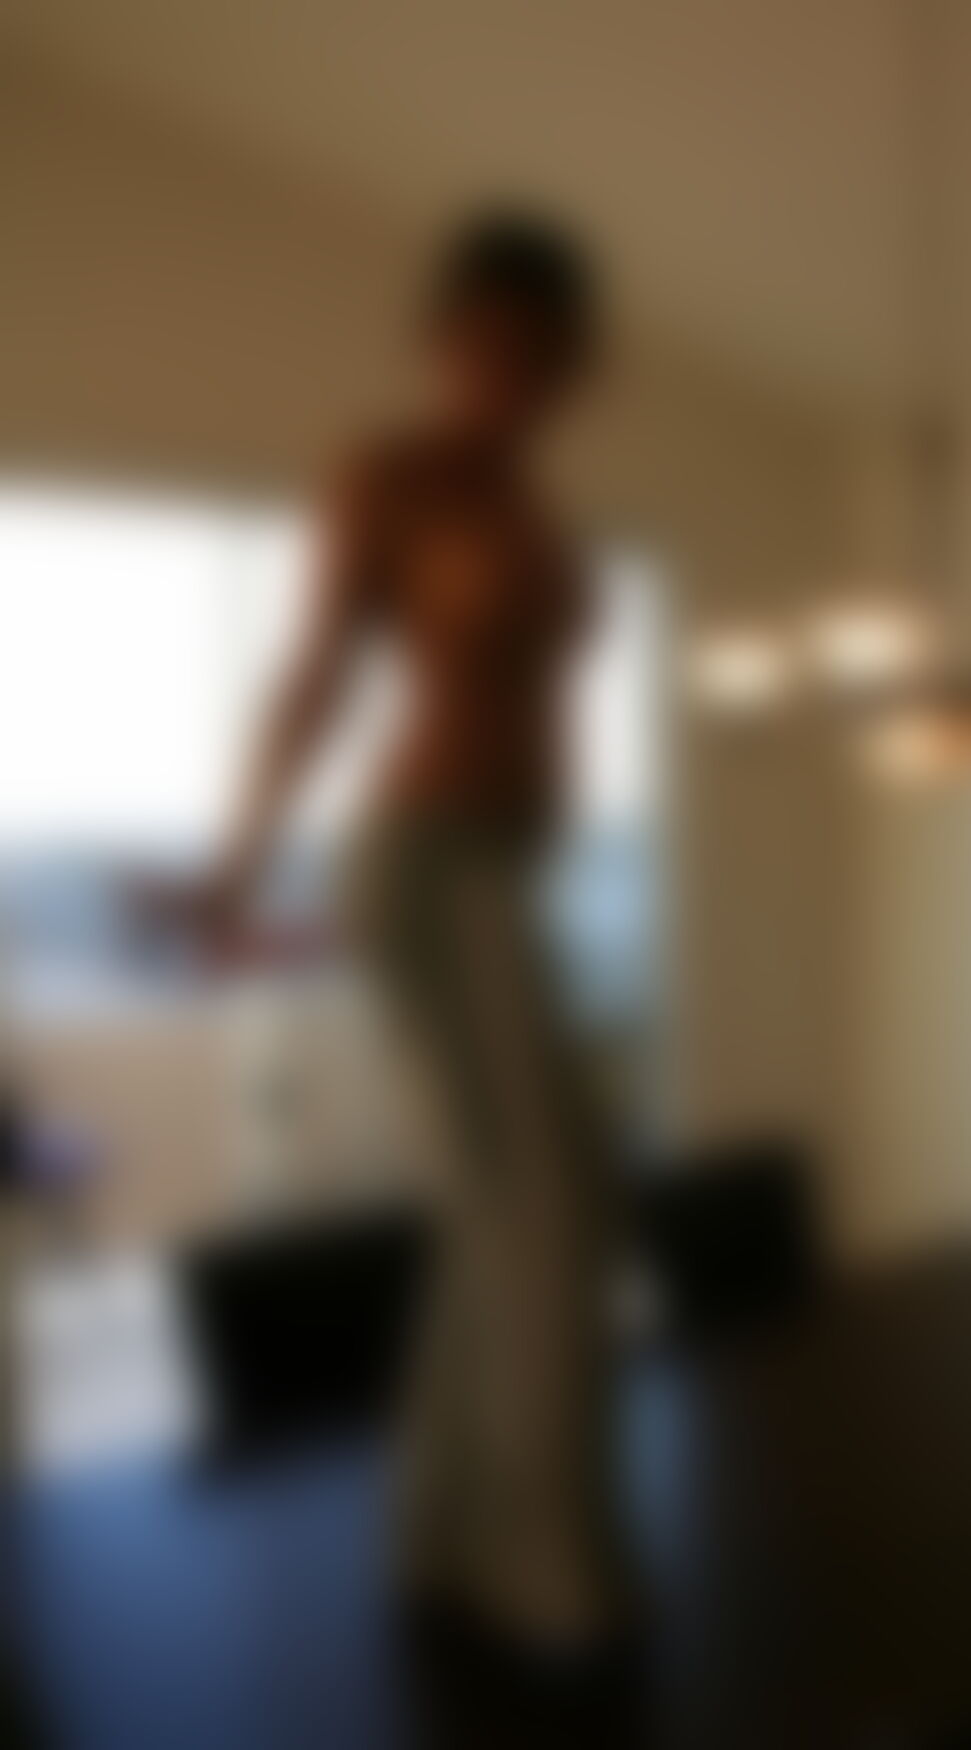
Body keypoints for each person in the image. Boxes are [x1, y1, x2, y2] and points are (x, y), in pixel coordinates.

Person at [145, 212, 630, 1655]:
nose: (512, 378)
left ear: (574, 368)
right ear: (439, 342)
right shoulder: (389, 473)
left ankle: (436, 1533)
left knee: (499, 1212)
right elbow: (315, 672)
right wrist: (236, 867)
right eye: (486, 344)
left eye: (543, 356)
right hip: (426, 863)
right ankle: (540, 1557)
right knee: (555, 1206)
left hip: (508, 871)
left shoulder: (531, 502)